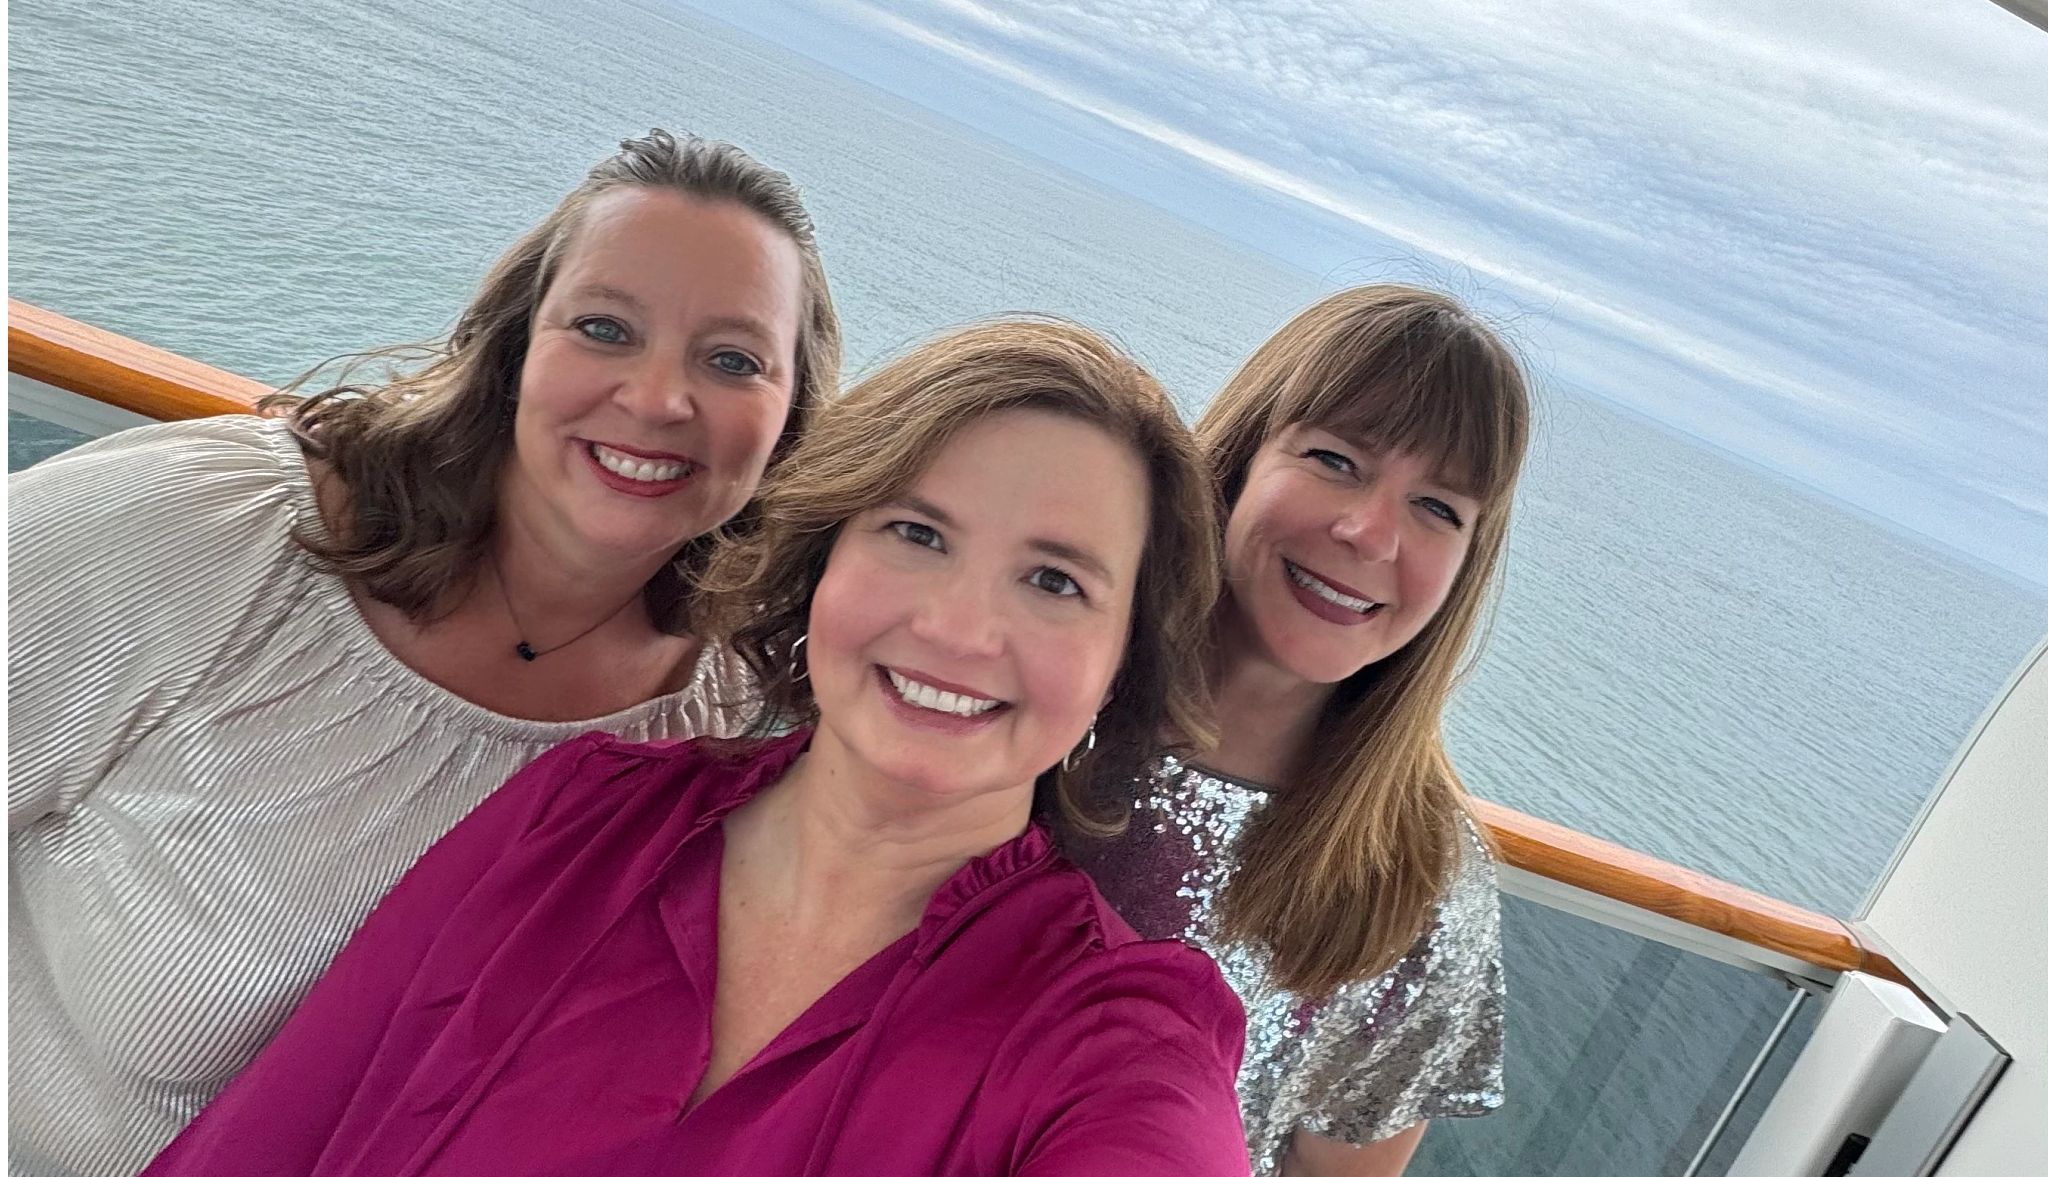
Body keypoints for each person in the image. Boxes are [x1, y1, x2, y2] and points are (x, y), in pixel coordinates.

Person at [138, 319, 1252, 1177]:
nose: (960, 628)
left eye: (1055, 580)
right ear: (822, 557)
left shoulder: (1116, 1035)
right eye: (916, 533)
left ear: (1121, 661)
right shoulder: (583, 812)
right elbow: (276, 1128)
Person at [8, 129, 840, 1177]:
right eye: (603, 327)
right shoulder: (209, 539)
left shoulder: (720, 727)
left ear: (787, 420)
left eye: (731, 359)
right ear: (513, 351)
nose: (659, 398)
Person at [1067, 285, 1532, 1177]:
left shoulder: (1417, 880)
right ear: (1241, 458)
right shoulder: (1036, 693)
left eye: (1440, 508)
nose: (1368, 532)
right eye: (1335, 458)